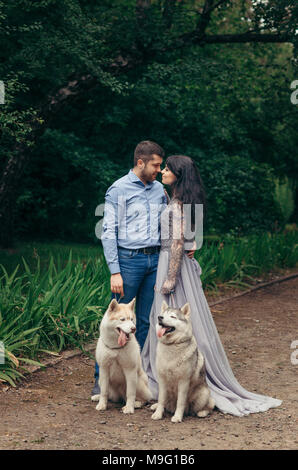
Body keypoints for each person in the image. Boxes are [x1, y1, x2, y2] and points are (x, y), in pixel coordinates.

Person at [141, 154, 283, 416]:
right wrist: (190, 246)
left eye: (168, 169)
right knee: (175, 321)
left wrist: (170, 279)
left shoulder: (177, 206)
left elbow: (175, 244)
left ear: (178, 175)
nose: (163, 172)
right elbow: (186, 239)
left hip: (172, 266)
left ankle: (173, 385)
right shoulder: (180, 201)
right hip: (177, 264)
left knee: (166, 319)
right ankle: (168, 384)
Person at [91, 141, 194, 398]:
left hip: (155, 262)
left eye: (162, 166)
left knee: (146, 323)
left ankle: (138, 381)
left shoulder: (160, 189)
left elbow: (175, 219)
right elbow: (108, 232)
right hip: (129, 262)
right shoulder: (118, 189)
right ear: (141, 162)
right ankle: (100, 383)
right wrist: (115, 270)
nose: (160, 170)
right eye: (156, 165)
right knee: (116, 323)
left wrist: (189, 241)